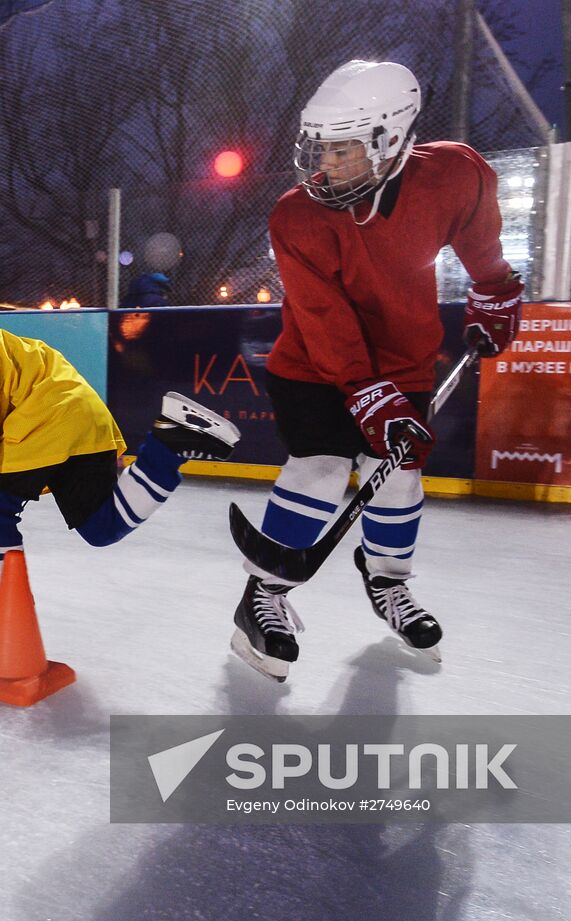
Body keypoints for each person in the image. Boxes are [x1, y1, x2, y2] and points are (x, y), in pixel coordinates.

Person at [230, 60, 523, 682]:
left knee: (397, 478)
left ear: (390, 140)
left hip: (405, 359)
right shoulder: (296, 215)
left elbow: (480, 237)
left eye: (343, 150)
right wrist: (366, 393)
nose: (326, 165)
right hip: (313, 363)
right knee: (320, 469)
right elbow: (323, 317)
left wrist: (494, 287)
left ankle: (387, 581)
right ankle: (263, 595)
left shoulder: (455, 174)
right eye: (320, 149)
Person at [0, 282, 241, 659]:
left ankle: (0, 619)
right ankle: (169, 445)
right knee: (101, 527)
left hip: (46, 421)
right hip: (79, 419)